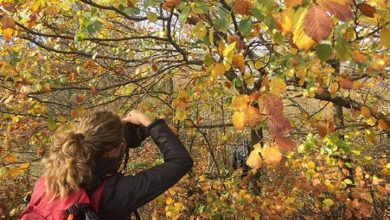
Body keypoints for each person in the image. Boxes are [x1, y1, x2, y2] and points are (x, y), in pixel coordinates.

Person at [21, 110, 193, 219]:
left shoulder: (50, 179)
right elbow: (180, 161)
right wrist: (148, 123)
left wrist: (117, 131)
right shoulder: (114, 193)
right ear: (112, 151)